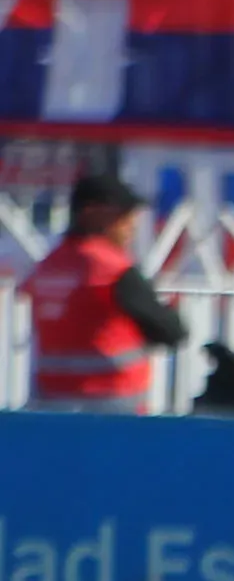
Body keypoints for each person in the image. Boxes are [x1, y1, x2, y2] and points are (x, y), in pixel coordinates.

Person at [19, 167, 188, 407]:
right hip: (113, 403)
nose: (132, 225)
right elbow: (171, 331)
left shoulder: (49, 265)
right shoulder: (111, 269)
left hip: (52, 402)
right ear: (93, 214)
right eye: (124, 216)